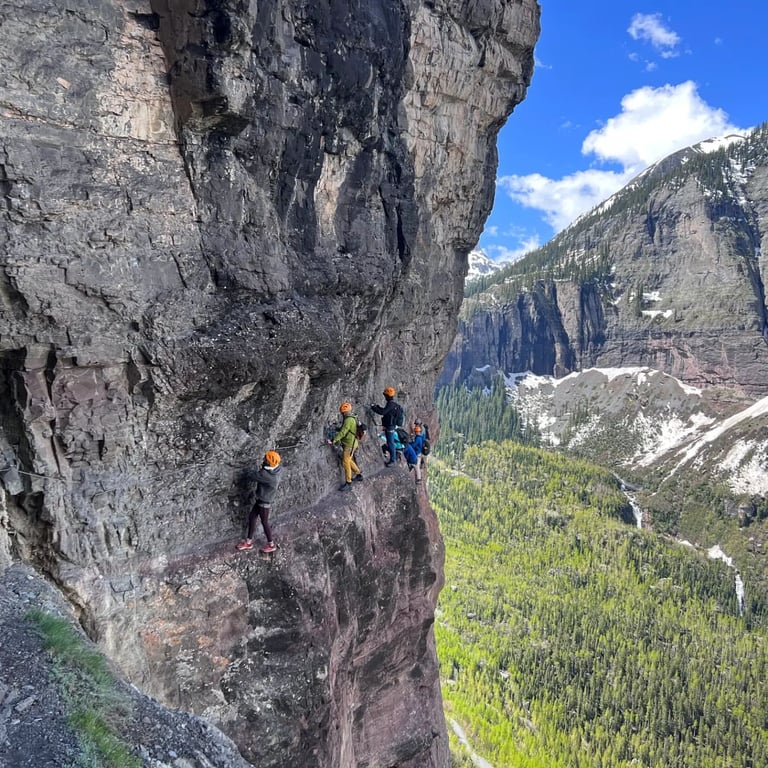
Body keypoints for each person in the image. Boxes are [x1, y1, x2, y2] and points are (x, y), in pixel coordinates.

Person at [236, 450, 282, 553]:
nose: (263, 460)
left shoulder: (267, 476)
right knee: (252, 517)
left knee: (264, 522)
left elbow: (252, 476)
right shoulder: (277, 469)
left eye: (265, 459)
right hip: (262, 499)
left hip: (264, 502)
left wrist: (245, 468)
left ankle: (271, 544)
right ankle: (248, 542)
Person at [327, 402, 363, 492]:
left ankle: (348, 482)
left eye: (342, 413)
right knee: (349, 460)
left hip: (349, 445)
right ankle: (358, 474)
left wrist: (333, 440)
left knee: (345, 462)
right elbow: (346, 429)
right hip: (352, 443)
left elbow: (343, 432)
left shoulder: (348, 420)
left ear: (344, 412)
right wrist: (337, 429)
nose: (342, 415)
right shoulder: (352, 417)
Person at [370, 387, 401, 467]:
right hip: (391, 426)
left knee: (390, 443)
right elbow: (385, 411)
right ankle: (393, 459)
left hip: (390, 427)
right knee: (390, 443)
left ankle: (393, 460)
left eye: (385, 395)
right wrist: (377, 407)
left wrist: (373, 408)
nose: (385, 397)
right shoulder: (394, 404)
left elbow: (383, 412)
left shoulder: (390, 404)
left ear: (387, 396)